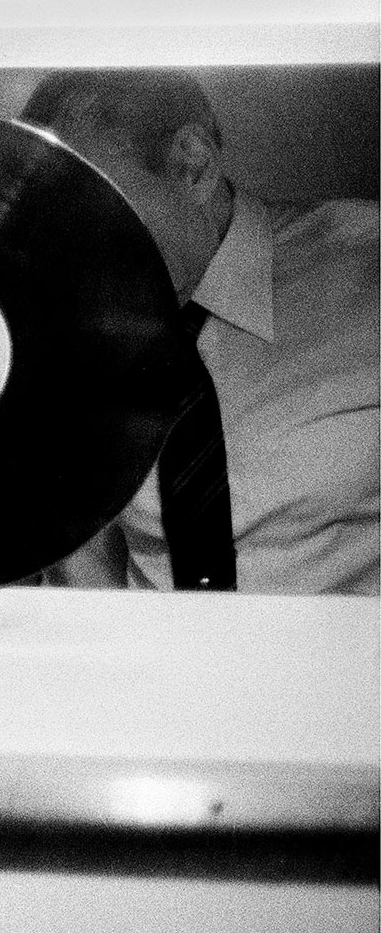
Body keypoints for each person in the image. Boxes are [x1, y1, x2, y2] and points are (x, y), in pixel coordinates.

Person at [20, 69, 378, 595]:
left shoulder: (364, 266)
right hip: (151, 667)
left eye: (89, 205)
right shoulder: (63, 321)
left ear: (193, 165)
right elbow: (82, 554)